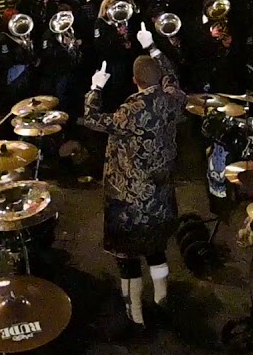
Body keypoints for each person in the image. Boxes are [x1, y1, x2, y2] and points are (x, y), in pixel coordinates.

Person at [80, 26, 186, 328]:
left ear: (134, 81)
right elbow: (171, 75)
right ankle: (162, 299)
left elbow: (92, 119)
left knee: (127, 258)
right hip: (161, 195)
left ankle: (135, 313)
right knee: (156, 250)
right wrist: (153, 47)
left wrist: (95, 88)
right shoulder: (173, 99)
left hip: (129, 200)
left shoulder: (130, 111)